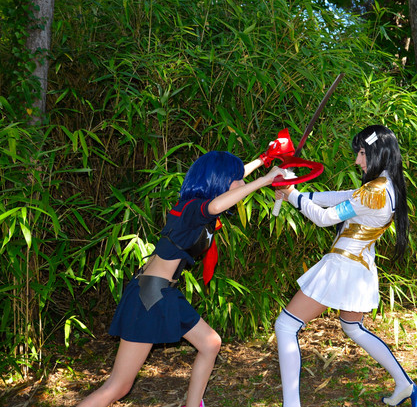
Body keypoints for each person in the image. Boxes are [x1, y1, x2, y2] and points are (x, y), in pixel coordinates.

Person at [78, 151, 283, 407]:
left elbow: (232, 184)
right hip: (149, 297)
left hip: (165, 294)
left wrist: (264, 159)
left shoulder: (196, 208)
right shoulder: (192, 208)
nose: (243, 184)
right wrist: (264, 180)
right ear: (219, 180)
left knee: (210, 343)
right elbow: (217, 205)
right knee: (118, 386)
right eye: (237, 179)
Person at [273, 125, 417, 407]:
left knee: (286, 326)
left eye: (362, 153)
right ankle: (404, 384)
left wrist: (291, 195)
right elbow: (341, 196)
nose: (357, 160)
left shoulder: (375, 191)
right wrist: (296, 193)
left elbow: (325, 218)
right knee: (352, 327)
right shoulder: (385, 186)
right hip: (357, 268)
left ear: (378, 152)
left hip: (343, 267)